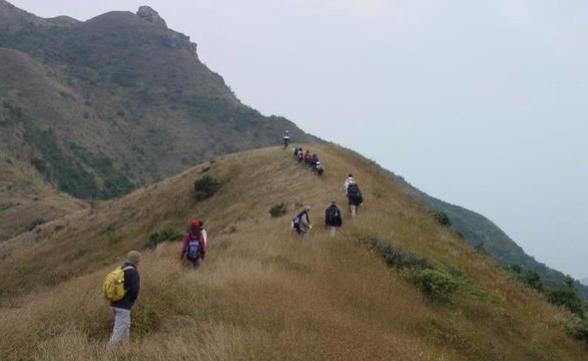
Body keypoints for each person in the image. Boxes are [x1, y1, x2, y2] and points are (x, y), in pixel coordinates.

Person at [109, 251, 141, 347]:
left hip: (114, 304)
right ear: (137, 260)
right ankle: (107, 354)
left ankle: (125, 352)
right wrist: (131, 300)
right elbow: (135, 290)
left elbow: (116, 284)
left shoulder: (120, 269)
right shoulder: (133, 272)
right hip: (123, 306)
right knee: (118, 332)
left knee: (125, 328)